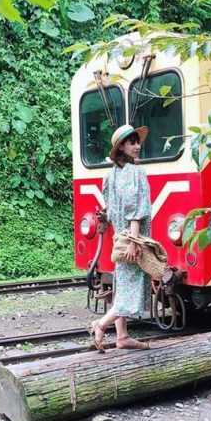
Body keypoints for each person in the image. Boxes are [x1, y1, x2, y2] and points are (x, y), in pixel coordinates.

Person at [90, 124, 152, 352]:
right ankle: (100, 325)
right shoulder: (136, 172)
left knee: (122, 284)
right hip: (132, 239)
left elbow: (112, 209)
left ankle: (123, 336)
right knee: (130, 289)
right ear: (121, 147)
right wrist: (135, 241)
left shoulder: (111, 174)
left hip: (119, 237)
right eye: (132, 142)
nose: (137, 146)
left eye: (137, 142)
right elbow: (135, 208)